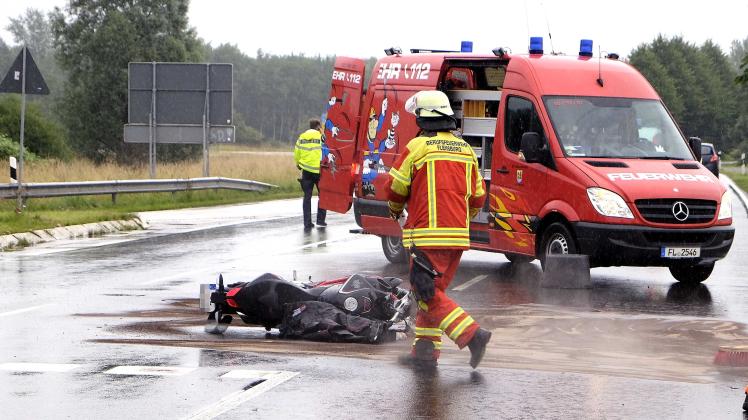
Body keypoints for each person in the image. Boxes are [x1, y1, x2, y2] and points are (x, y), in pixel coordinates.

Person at [384, 90, 491, 370]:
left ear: (423, 118)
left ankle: (472, 336)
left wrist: (396, 212)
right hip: (457, 238)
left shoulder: (418, 147)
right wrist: (459, 219)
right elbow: (479, 198)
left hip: (427, 235)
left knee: (426, 293)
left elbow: (394, 188)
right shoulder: (466, 150)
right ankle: (425, 353)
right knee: (430, 294)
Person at [294, 119, 327, 230]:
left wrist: (298, 164)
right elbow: (327, 150)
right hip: (318, 171)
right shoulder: (321, 136)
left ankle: (307, 223)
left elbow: (297, 152)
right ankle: (320, 220)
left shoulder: (302, 137)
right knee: (322, 195)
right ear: (318, 127)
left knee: (307, 197)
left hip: (306, 171)